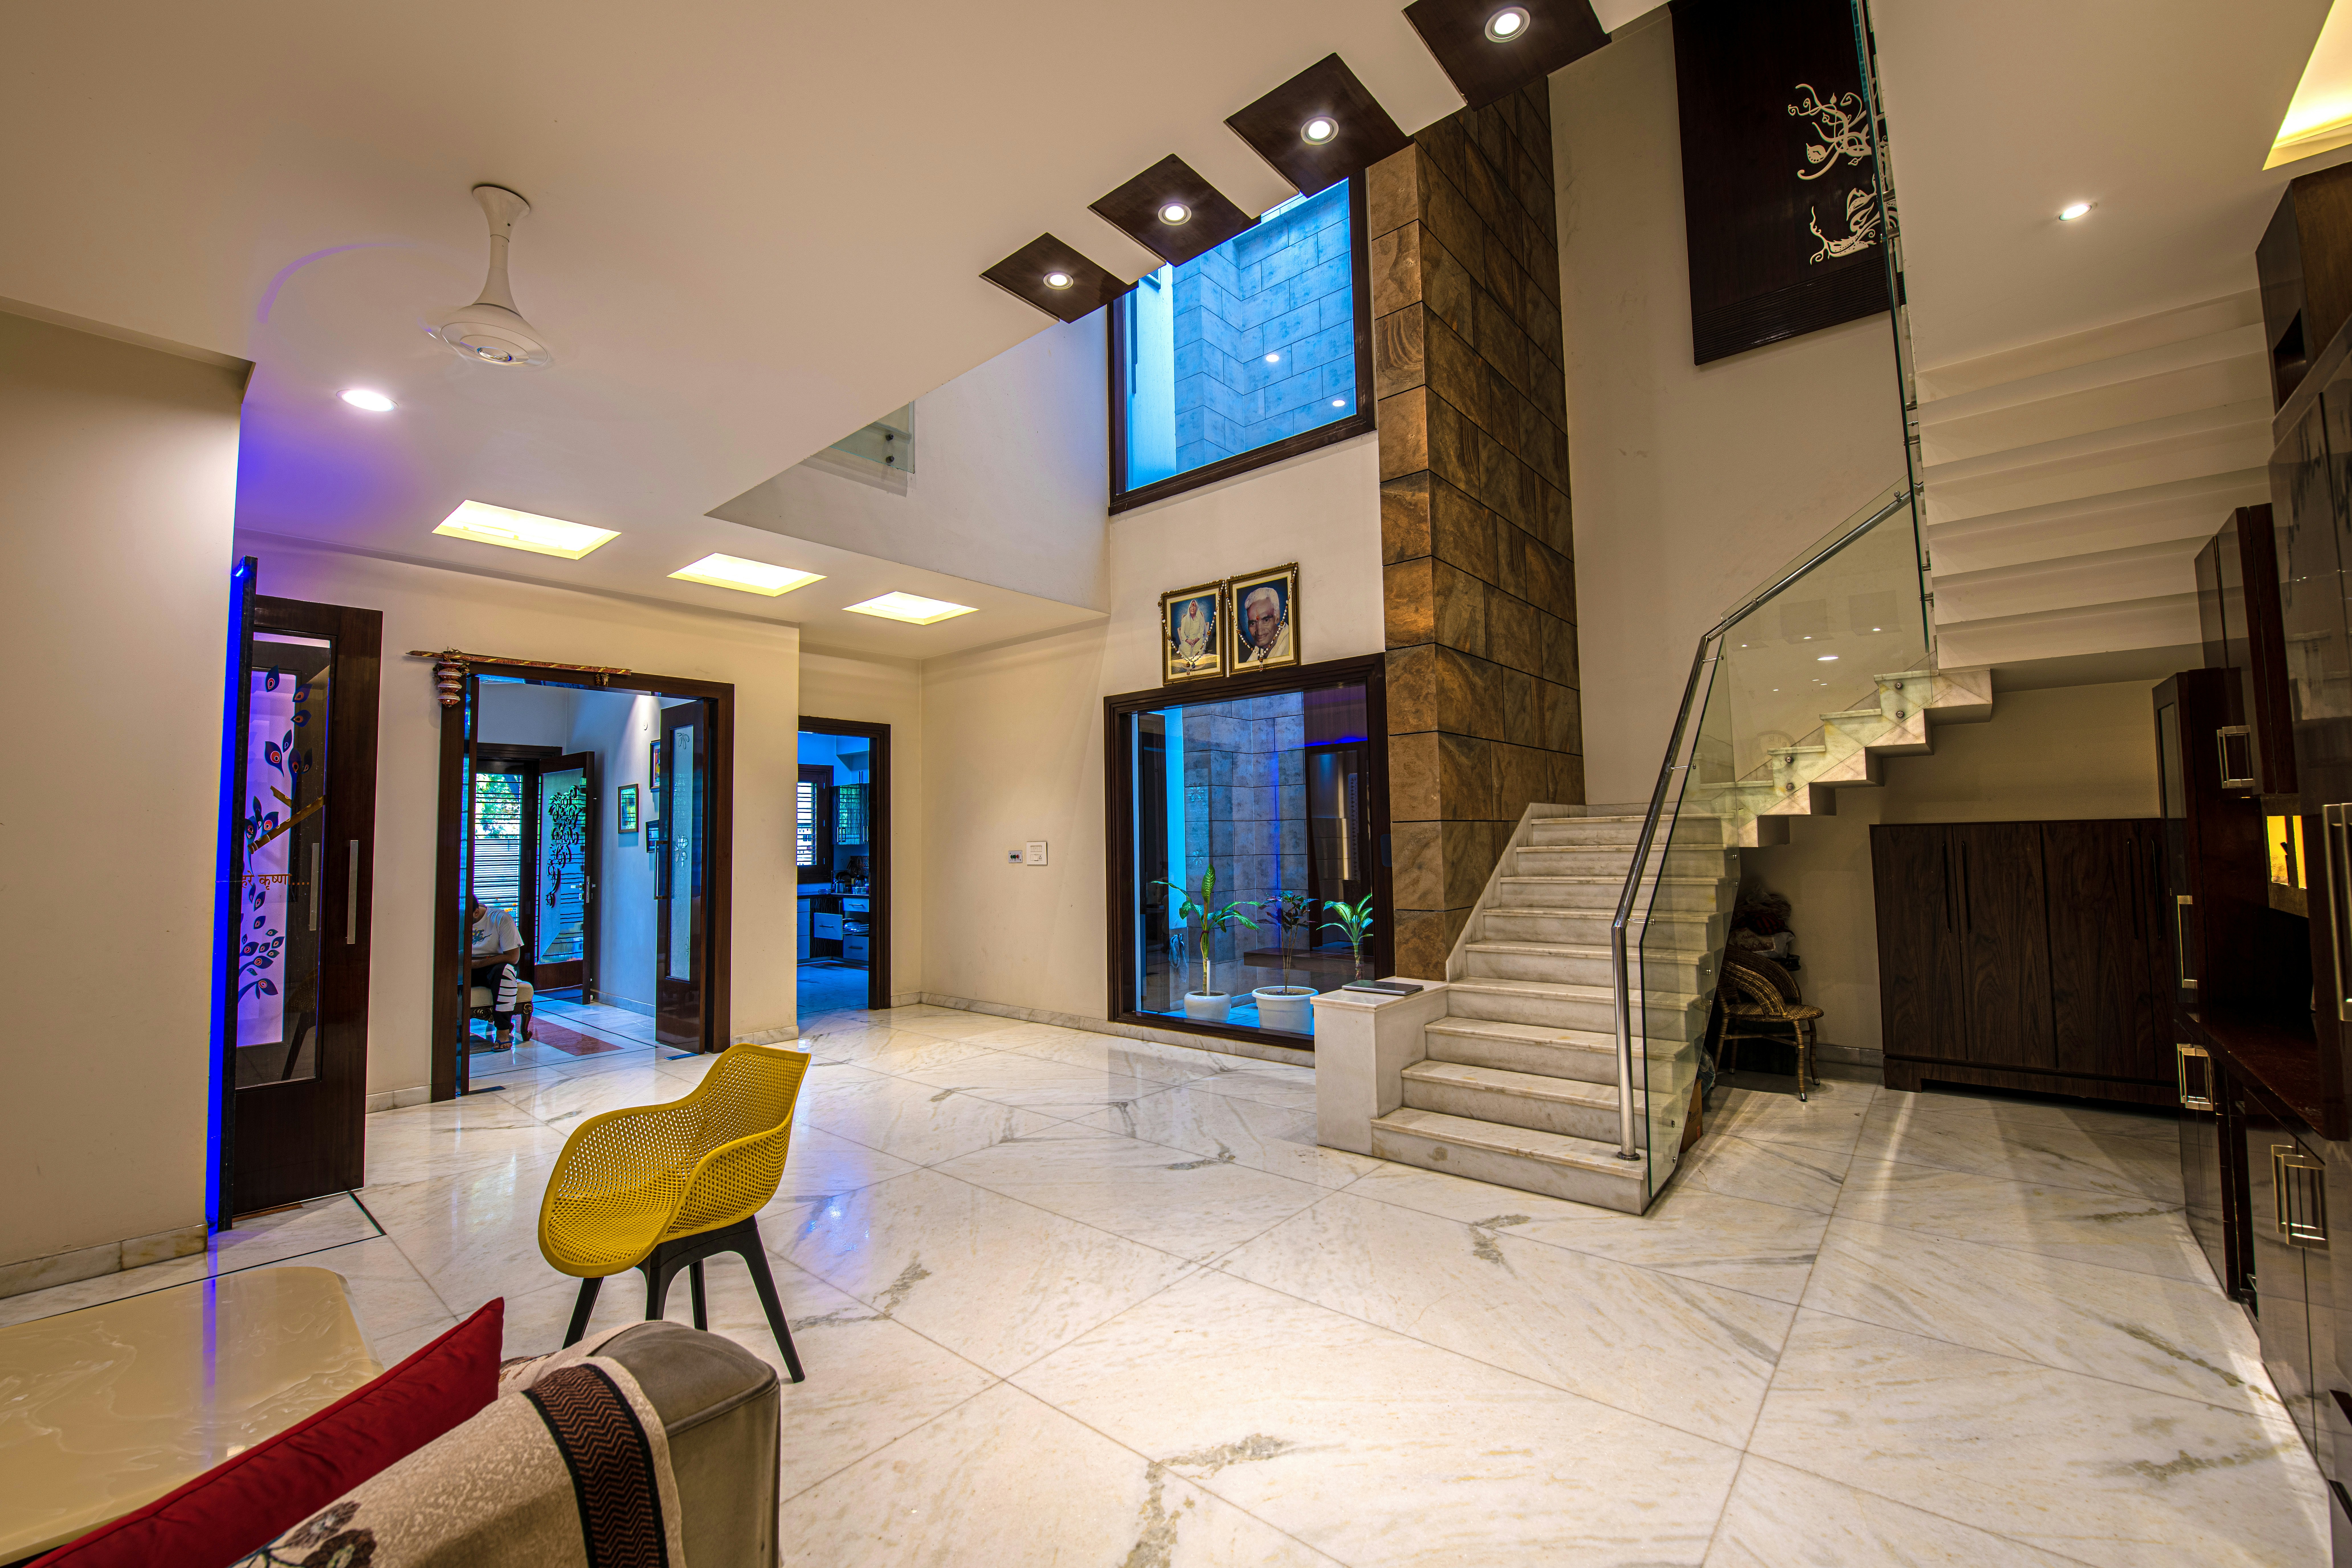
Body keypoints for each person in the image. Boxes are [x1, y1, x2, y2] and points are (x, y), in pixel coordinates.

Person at [468, 895, 524, 1045]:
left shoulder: (501, 919)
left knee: (506, 972)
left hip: (495, 966)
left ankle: (503, 1031)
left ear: (476, 912)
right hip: (465, 966)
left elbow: (513, 957)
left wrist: (478, 964)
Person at [1236, 583, 1291, 665]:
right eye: (1253, 623)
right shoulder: (1258, 651)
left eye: (1266, 620)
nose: (1259, 632)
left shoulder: (1291, 642)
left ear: (1277, 617)